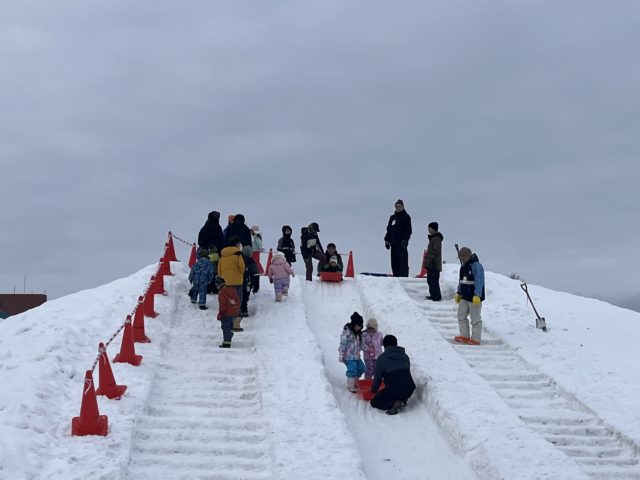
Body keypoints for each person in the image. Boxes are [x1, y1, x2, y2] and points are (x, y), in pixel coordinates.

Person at [370, 334, 416, 415]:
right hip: (409, 388)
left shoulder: (382, 358)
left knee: (375, 401)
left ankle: (394, 403)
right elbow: (406, 373)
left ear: (384, 346)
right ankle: (401, 400)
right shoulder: (405, 356)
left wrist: (373, 390)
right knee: (399, 389)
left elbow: (378, 378)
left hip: (394, 389)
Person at [454, 247, 485, 345]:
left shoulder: (476, 266)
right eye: (460, 258)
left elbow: (479, 281)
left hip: (474, 297)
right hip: (464, 296)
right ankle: (465, 336)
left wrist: (477, 294)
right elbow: (461, 281)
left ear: (468, 256)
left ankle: (476, 338)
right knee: (461, 316)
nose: (462, 259)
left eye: (463, 257)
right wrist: (459, 292)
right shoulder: (463, 266)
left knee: (475, 318)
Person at [217, 236, 246, 332]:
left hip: (225, 282)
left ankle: (227, 323)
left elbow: (219, 269)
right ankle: (236, 324)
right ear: (237, 244)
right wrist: (241, 274)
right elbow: (242, 267)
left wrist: (222, 277)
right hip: (237, 281)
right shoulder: (238, 254)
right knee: (237, 302)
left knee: (228, 303)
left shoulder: (223, 254)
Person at [384, 199, 412, 277]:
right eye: (396, 206)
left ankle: (403, 277)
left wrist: (405, 240)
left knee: (402, 262)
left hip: (401, 244)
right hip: (393, 244)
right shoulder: (392, 217)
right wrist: (386, 240)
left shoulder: (406, 217)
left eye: (399, 206)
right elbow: (389, 229)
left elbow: (408, 230)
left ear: (403, 207)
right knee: (394, 262)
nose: (398, 208)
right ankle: (395, 277)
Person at [338, 312, 365, 393]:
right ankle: (351, 386)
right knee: (352, 369)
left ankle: (355, 381)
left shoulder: (358, 334)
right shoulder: (347, 332)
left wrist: (366, 348)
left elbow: (361, 344)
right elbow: (342, 344)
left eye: (360, 326)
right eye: (358, 326)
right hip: (348, 356)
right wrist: (341, 354)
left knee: (361, 368)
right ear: (354, 324)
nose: (359, 328)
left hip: (356, 356)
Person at [216, 276, 240, 348]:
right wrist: (237, 310)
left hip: (226, 314)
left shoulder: (221, 293)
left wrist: (220, 313)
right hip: (234, 313)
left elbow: (222, 305)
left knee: (225, 328)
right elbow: (238, 301)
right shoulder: (233, 290)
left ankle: (226, 344)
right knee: (230, 328)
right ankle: (228, 340)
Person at [423, 222, 443, 301]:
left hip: (434, 264)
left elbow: (436, 251)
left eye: (430, 228)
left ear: (434, 229)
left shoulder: (436, 238)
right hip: (431, 263)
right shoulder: (433, 238)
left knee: (433, 281)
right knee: (430, 280)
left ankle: (436, 297)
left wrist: (431, 259)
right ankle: (433, 295)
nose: (428, 230)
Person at [240, 246, 260, 316]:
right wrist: (256, 285)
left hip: (238, 281)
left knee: (238, 296)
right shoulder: (252, 262)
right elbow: (256, 274)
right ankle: (243, 310)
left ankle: (237, 310)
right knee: (245, 297)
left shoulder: (239, 260)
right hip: (247, 283)